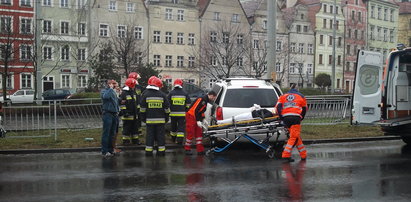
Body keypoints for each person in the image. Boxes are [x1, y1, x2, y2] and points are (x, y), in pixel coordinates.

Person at [275, 83, 308, 162]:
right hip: (295, 118)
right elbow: (304, 108)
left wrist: (281, 117)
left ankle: (303, 155)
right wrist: (301, 117)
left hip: (286, 118)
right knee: (294, 137)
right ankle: (285, 155)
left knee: (296, 136)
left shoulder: (283, 96)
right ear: (297, 89)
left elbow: (278, 107)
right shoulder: (301, 96)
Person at [140, 76, 170, 156]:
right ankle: (161, 152)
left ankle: (149, 152)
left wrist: (143, 118)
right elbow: (167, 109)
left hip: (149, 120)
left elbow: (142, 108)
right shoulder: (163, 95)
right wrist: (166, 118)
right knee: (160, 136)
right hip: (161, 120)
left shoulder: (145, 95)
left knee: (150, 136)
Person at [185, 91, 217, 155]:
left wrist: (203, 119)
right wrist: (197, 120)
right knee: (190, 133)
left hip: (196, 117)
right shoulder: (201, 99)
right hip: (191, 116)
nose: (213, 99)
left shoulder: (205, 100)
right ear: (210, 95)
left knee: (199, 134)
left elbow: (201, 111)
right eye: (213, 98)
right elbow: (195, 110)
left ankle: (200, 150)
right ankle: (187, 149)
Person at [167, 79, 191, 144]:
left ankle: (173, 139)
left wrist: (169, 112)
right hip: (182, 114)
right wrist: (186, 110)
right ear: (181, 85)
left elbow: (167, 104)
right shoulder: (185, 93)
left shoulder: (171, 93)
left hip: (173, 114)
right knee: (181, 127)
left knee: (173, 127)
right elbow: (188, 104)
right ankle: (180, 140)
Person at [101, 79, 120, 158]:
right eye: (114, 84)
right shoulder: (104, 91)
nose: (115, 85)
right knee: (106, 133)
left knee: (112, 133)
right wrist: (111, 89)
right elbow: (105, 97)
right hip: (108, 114)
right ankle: (104, 151)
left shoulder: (113, 92)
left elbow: (115, 101)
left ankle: (110, 149)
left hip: (114, 114)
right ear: (109, 84)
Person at [120, 78, 140, 145]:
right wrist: (125, 112)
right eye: (134, 85)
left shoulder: (133, 92)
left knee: (135, 129)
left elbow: (135, 103)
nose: (135, 86)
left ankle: (135, 140)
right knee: (127, 129)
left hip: (134, 114)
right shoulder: (124, 93)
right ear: (131, 85)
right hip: (127, 115)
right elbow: (122, 104)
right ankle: (126, 141)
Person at [128, 72, 145, 137]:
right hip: (132, 108)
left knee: (139, 120)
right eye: (137, 79)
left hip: (138, 107)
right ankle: (130, 132)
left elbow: (145, 90)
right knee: (132, 121)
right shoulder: (128, 88)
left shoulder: (138, 87)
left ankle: (139, 131)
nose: (138, 81)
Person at [112, 81, 122, 153]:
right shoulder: (111, 93)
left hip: (117, 113)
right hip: (112, 114)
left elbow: (118, 101)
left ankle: (114, 146)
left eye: (118, 86)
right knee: (112, 131)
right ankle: (112, 148)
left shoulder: (117, 93)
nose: (118, 88)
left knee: (116, 131)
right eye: (116, 86)